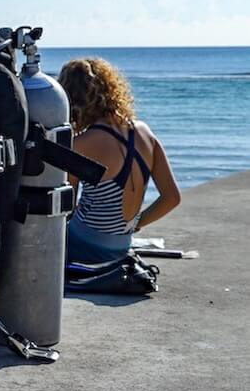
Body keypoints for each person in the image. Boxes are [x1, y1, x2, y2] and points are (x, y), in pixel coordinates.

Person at [58, 57, 181, 264]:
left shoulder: (82, 143)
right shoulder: (145, 132)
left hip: (83, 244)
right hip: (121, 246)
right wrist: (133, 225)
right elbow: (171, 198)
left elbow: (64, 206)